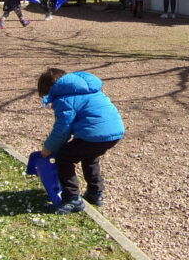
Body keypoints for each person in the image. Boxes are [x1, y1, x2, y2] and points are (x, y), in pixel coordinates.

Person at [38, 67, 125, 214]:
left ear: (51, 89)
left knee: (64, 157)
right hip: (114, 132)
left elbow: (62, 131)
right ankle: (95, 193)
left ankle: (72, 199)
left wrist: (48, 149)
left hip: (94, 134)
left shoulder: (64, 99)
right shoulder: (88, 90)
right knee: (89, 155)